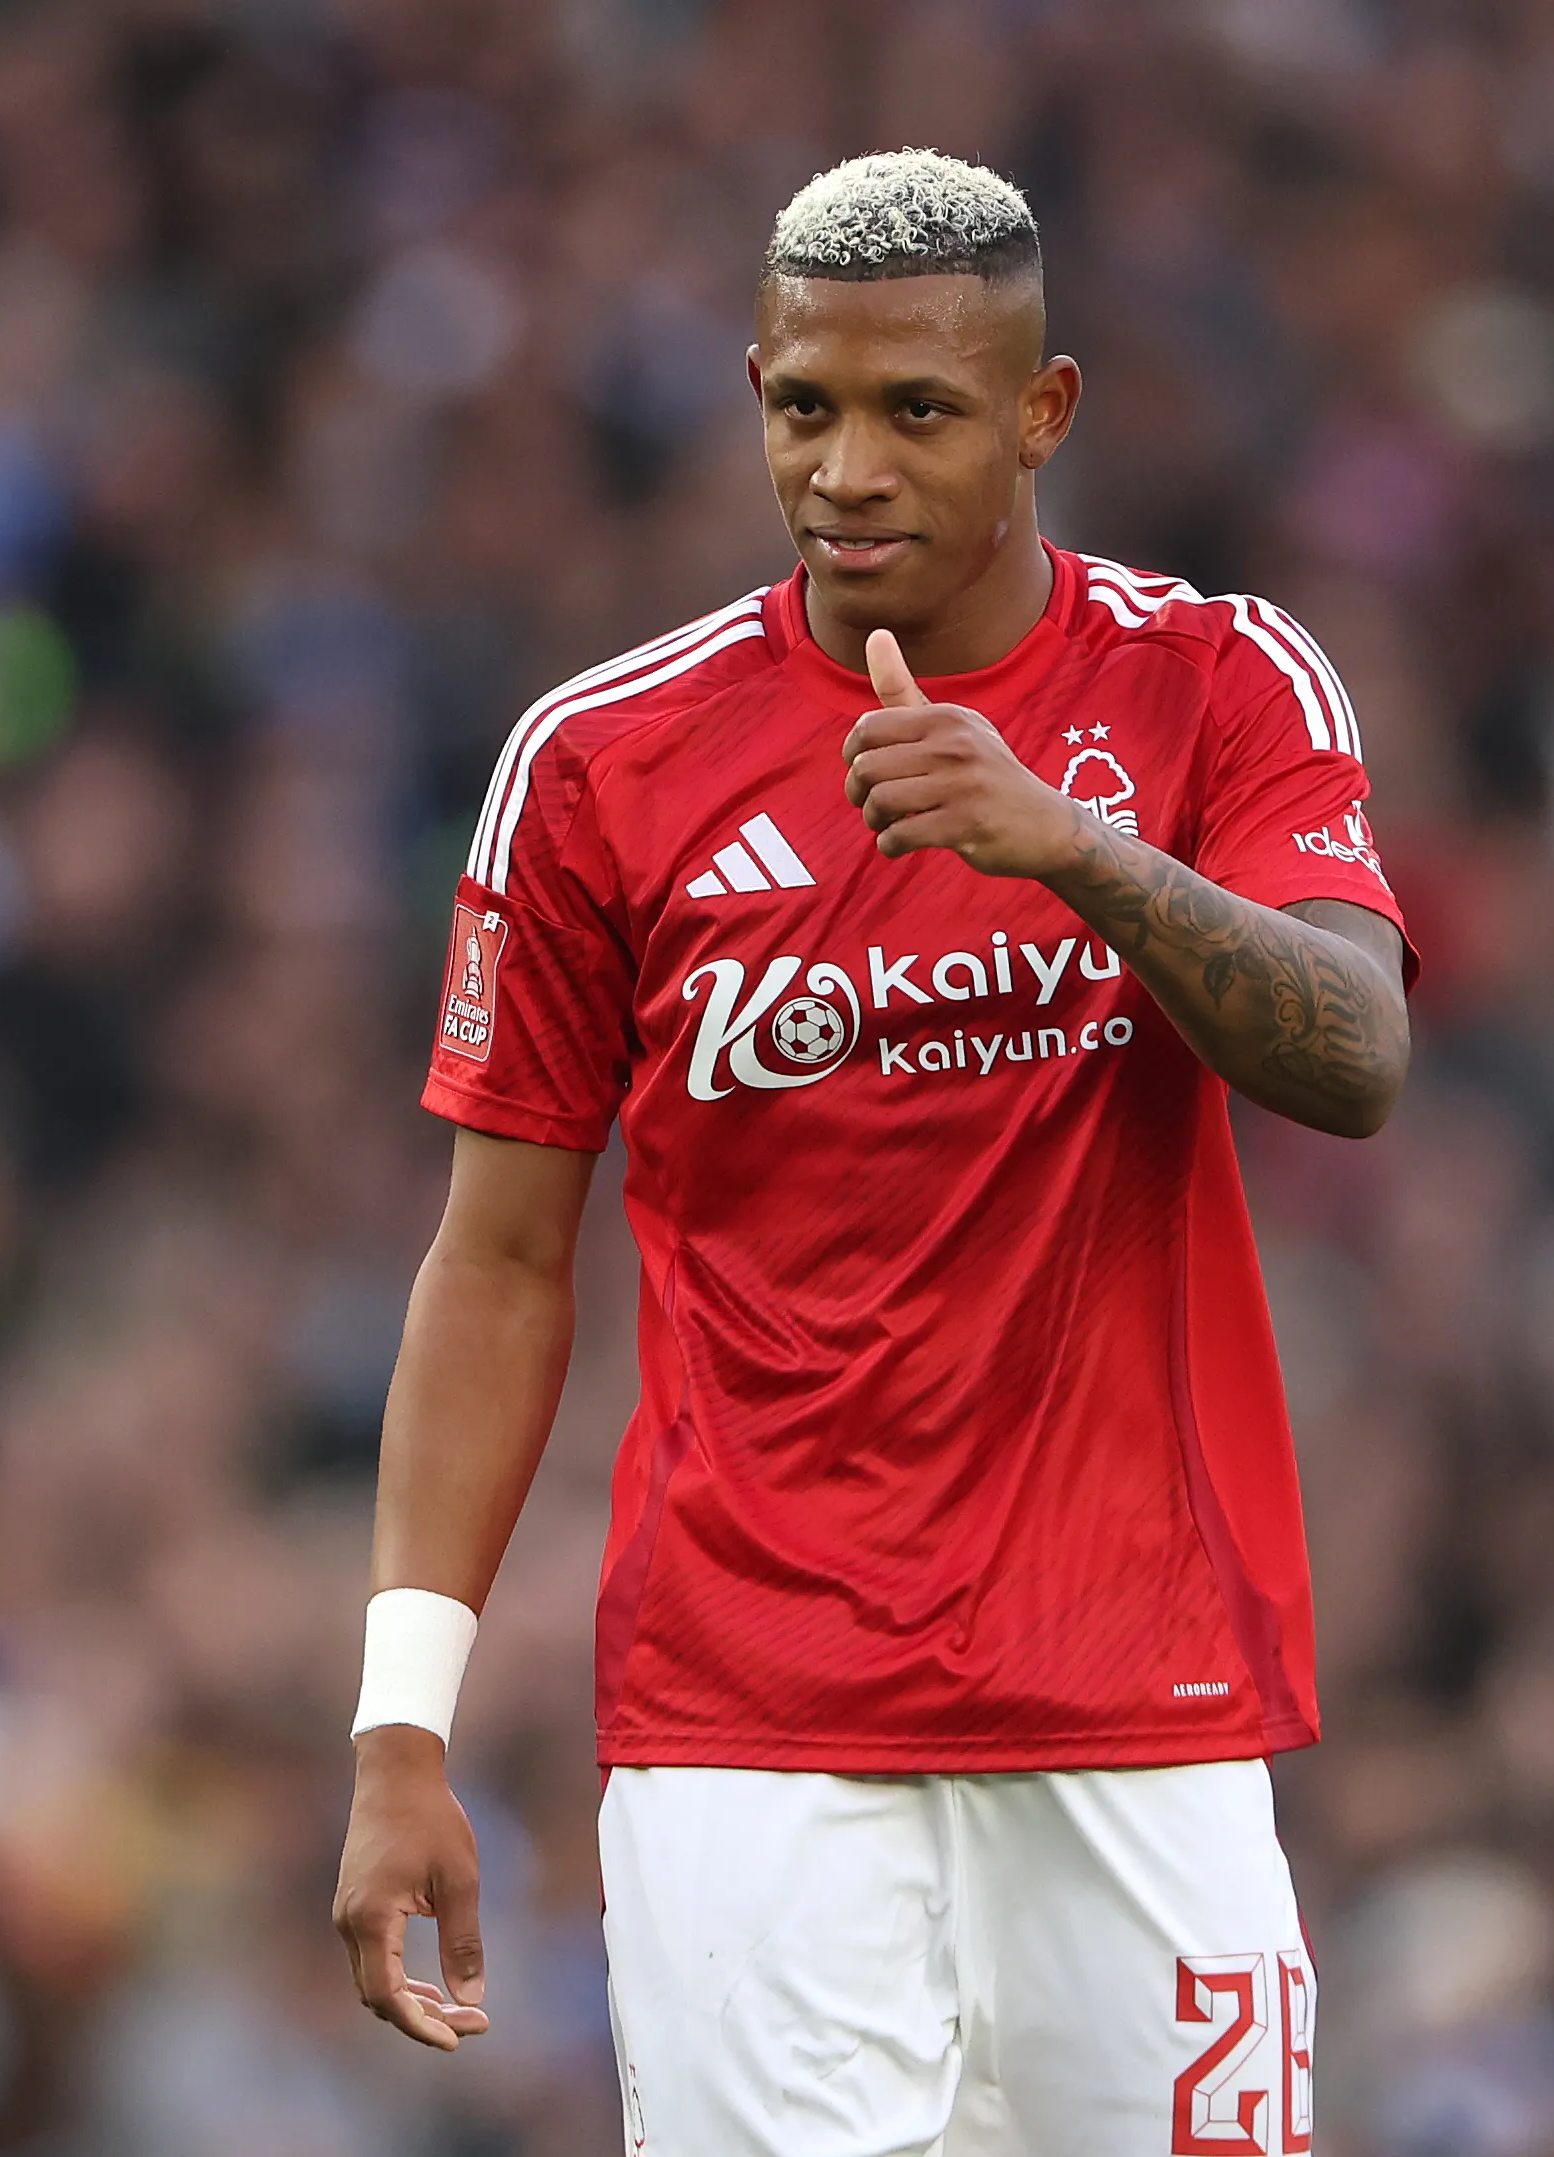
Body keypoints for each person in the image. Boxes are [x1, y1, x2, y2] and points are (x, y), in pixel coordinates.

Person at [333, 148, 1414, 2154]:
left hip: (1140, 1697)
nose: (845, 467)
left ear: (1041, 413)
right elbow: (494, 1267)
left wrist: (1080, 851)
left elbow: (1355, 1053)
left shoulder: (1218, 684)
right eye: (801, 405)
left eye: (914, 410)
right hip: (753, 1732)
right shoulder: (600, 764)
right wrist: (405, 1724)